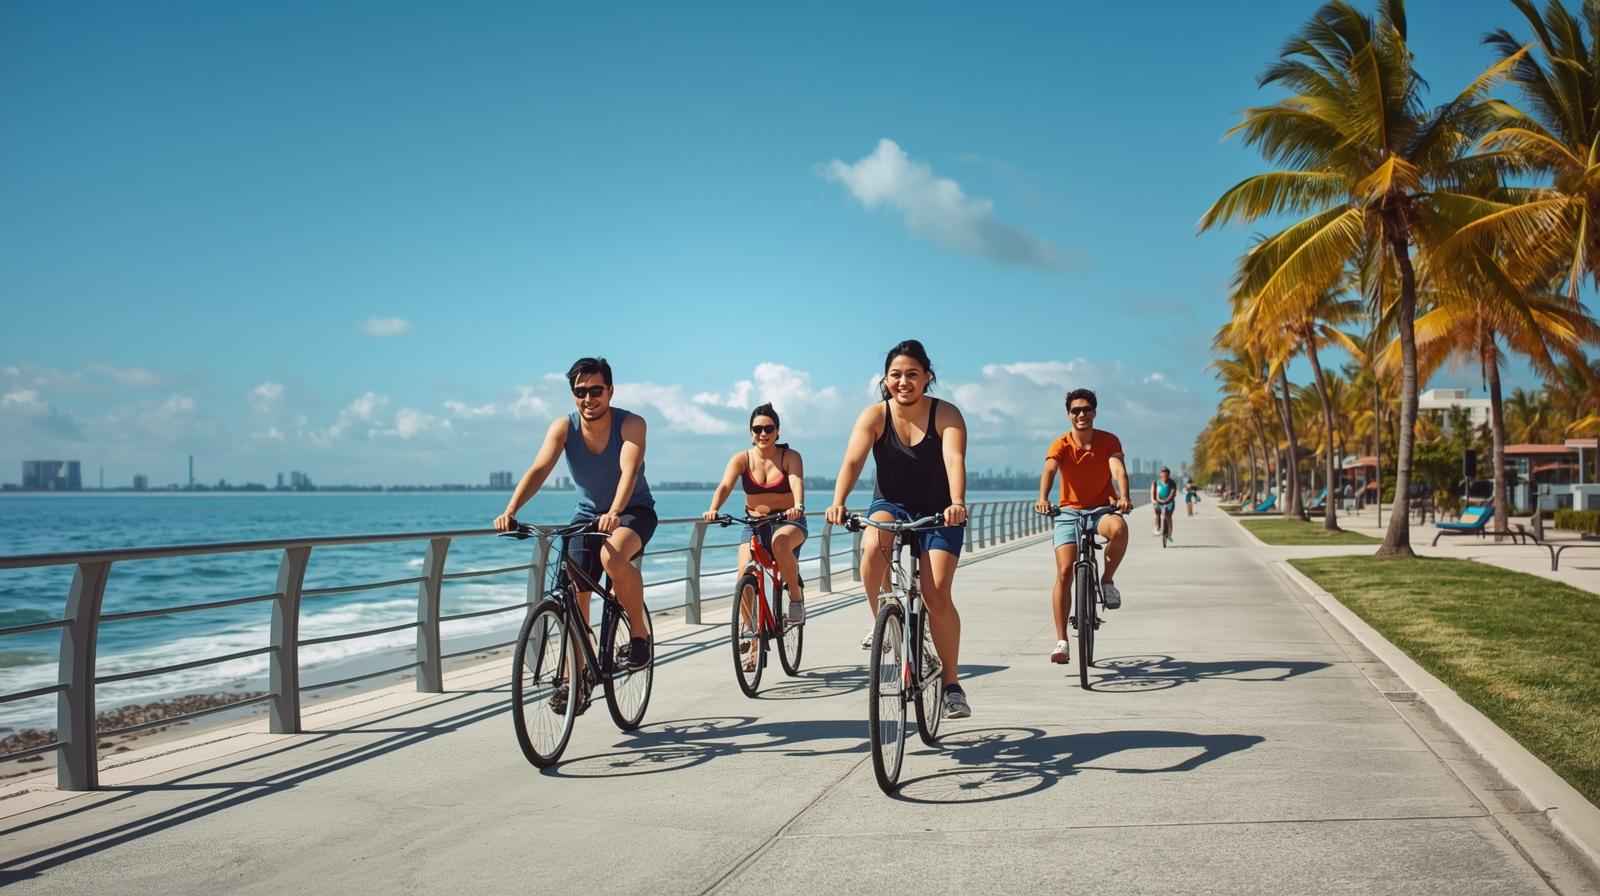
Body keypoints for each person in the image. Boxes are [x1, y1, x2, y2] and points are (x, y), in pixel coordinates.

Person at [494, 357, 657, 710]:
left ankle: (640, 636)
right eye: (580, 392)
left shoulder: (631, 424)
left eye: (595, 390)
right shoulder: (564, 428)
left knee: (611, 556)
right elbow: (540, 469)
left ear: (610, 391)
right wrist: (511, 510)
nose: (588, 399)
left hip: (632, 511)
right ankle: (577, 678)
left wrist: (614, 512)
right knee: (574, 592)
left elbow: (629, 469)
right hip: (587, 517)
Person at [825, 339, 972, 719]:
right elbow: (853, 460)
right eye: (895, 375)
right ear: (885, 379)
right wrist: (838, 500)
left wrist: (957, 502)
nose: (903, 382)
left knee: (936, 593)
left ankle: (952, 683)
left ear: (927, 377)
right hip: (891, 504)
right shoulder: (875, 416)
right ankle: (885, 620)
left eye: (911, 374)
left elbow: (954, 458)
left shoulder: (946, 414)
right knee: (872, 547)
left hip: (941, 510)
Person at [703, 403, 808, 672]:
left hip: (788, 521)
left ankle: (795, 600)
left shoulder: (789, 456)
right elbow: (725, 485)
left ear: (777, 431)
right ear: (751, 433)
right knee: (744, 574)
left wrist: (798, 505)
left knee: (780, 543)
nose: (763, 433)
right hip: (754, 523)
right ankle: (751, 634)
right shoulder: (742, 459)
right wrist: (714, 508)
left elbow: (796, 480)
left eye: (768, 428)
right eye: (758, 429)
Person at [1034, 388, 1132, 665]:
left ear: (1094, 413)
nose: (1081, 414)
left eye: (1086, 409)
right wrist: (1042, 499)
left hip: (1101, 510)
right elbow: (1050, 470)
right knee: (1065, 571)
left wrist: (1123, 496)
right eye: (1075, 410)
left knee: (1119, 529)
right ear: (1069, 415)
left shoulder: (1108, 440)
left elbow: (1117, 470)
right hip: (1069, 514)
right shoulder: (1061, 443)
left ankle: (1108, 579)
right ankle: (1061, 640)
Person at [1151, 467, 1178, 537]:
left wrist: (1166, 500)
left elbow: (1173, 493)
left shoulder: (1172, 483)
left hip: (1169, 502)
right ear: (1160, 475)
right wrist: (1154, 500)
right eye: (1162, 474)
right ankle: (1157, 527)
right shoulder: (1156, 482)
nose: (1164, 476)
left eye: (1166, 475)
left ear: (1168, 475)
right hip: (1159, 501)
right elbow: (1153, 492)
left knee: (1168, 516)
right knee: (1157, 512)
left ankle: (1169, 531)